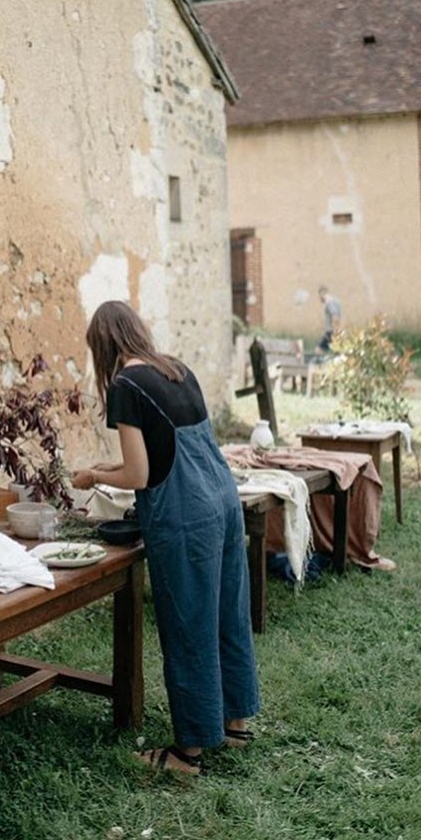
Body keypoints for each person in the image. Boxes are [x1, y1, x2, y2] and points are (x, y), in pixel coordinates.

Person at [72, 301, 260, 776]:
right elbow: (159, 455)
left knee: (188, 625)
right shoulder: (178, 369)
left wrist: (99, 475)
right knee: (226, 615)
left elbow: (139, 473)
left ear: (102, 346)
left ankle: (187, 753)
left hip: (184, 517)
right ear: (136, 331)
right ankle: (235, 725)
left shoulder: (125, 385)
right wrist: (96, 473)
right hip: (222, 499)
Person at [315, 285, 342, 355]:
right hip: (332, 332)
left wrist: (336, 333)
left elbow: (335, 317)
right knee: (337, 351)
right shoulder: (335, 301)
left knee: (318, 350)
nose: (319, 299)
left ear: (321, 294)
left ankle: (322, 365)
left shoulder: (329, 302)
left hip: (331, 332)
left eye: (319, 297)